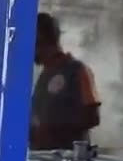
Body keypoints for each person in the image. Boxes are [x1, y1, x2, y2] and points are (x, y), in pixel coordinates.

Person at [30, 12, 101, 150]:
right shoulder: (45, 74)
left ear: (40, 38)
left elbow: (93, 117)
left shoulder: (77, 70)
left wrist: (50, 126)